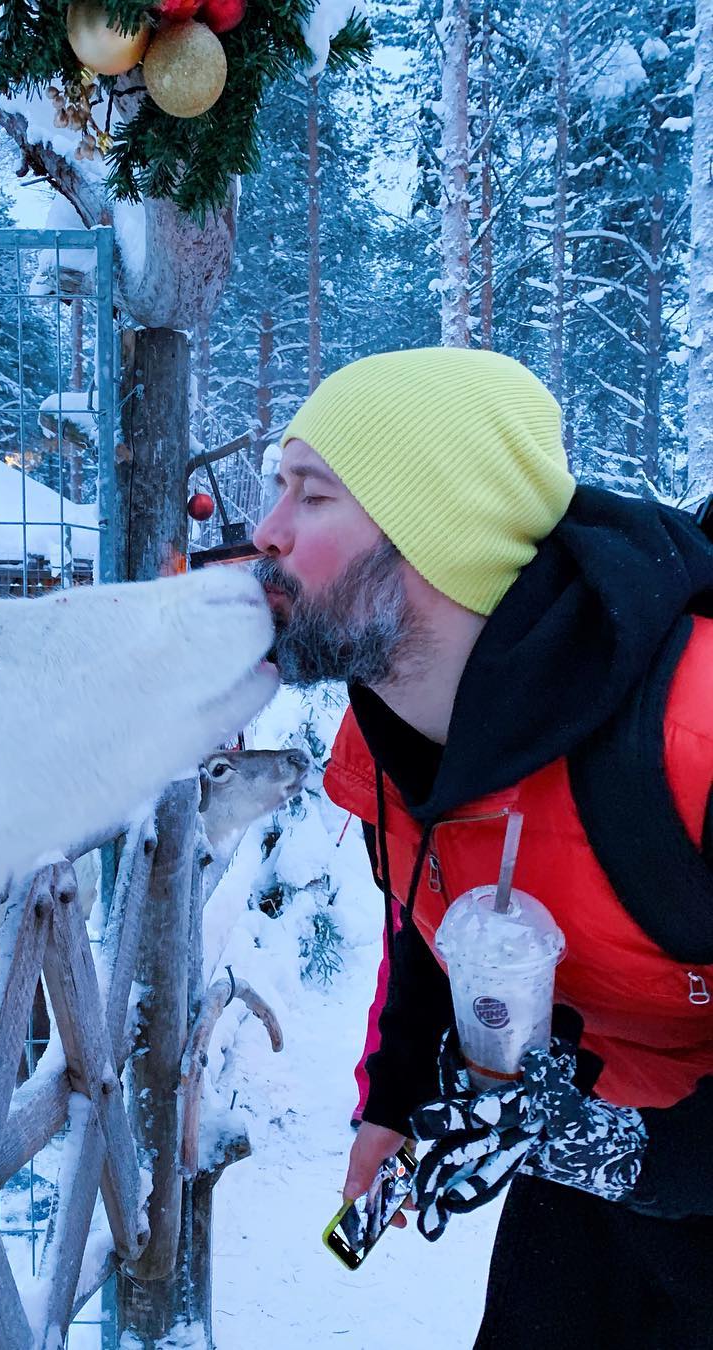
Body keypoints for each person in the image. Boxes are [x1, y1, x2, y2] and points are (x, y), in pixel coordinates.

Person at [251, 346, 713, 1349]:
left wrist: (637, 1154)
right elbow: (433, 914)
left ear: (432, 536)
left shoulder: (692, 730)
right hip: (582, 1192)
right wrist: (397, 1096)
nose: (265, 532)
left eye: (310, 495)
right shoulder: (377, 739)